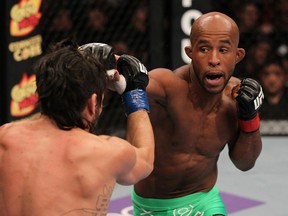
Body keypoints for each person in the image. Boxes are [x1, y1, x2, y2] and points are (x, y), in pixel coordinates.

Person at [85, 11, 264, 215]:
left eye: (223, 50)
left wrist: (250, 119)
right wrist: (101, 64)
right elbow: (130, 80)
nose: (214, 59)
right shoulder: (168, 85)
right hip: (152, 206)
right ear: (190, 52)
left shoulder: (236, 98)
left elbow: (245, 163)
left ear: (238, 55)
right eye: (204, 49)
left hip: (204, 200)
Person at [0, 39, 154, 215]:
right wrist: (134, 93)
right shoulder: (105, 152)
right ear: (92, 103)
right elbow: (145, 160)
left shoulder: (5, 137)